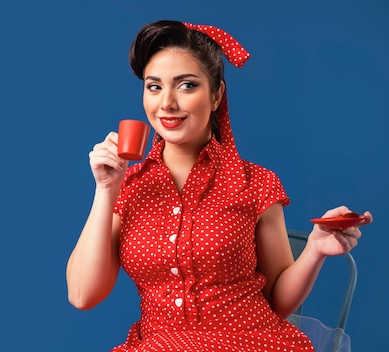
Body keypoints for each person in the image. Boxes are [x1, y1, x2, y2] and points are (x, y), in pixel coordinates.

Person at [65, 20, 373, 351]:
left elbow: (278, 302)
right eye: (154, 86)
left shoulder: (256, 183)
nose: (166, 103)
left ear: (216, 96)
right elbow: (83, 295)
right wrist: (106, 189)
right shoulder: (129, 187)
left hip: (252, 342)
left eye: (186, 85)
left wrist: (314, 250)